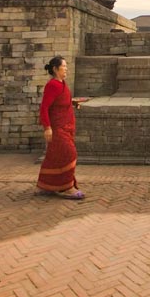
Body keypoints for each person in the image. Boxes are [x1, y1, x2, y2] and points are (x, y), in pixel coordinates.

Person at [36, 56, 85, 199]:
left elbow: (61, 100)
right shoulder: (52, 85)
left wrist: (73, 102)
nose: (66, 68)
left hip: (67, 127)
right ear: (55, 69)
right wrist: (47, 128)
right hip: (58, 128)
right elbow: (44, 108)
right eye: (64, 66)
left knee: (54, 157)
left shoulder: (61, 84)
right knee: (69, 154)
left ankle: (46, 185)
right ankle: (66, 187)